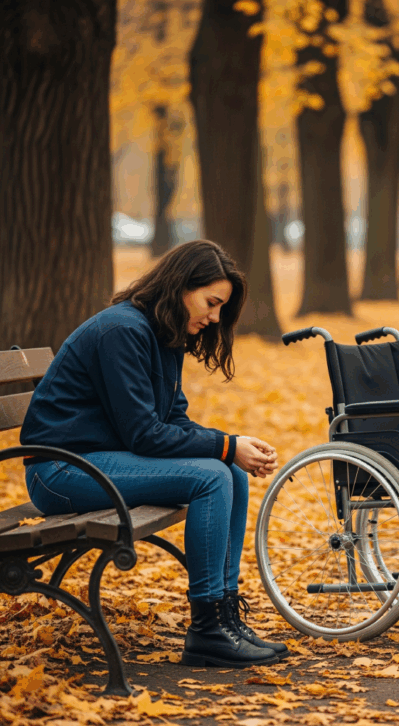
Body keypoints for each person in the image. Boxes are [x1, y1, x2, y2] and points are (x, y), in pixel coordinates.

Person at [20, 240, 289, 668]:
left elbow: (174, 420)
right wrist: (226, 447)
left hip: (97, 462)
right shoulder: (122, 332)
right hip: (60, 471)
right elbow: (145, 435)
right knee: (213, 476)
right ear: (182, 285)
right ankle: (206, 630)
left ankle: (223, 615)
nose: (215, 317)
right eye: (211, 303)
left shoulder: (162, 334)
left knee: (230, 473)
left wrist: (233, 445)